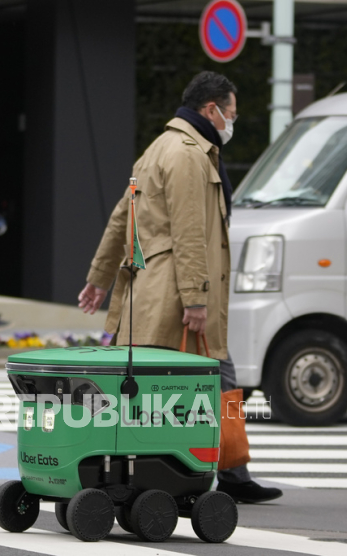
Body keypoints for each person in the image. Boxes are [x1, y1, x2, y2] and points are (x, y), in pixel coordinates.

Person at [78, 71, 282, 504]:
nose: (232, 120)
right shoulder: (189, 155)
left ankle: (230, 472)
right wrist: (195, 297)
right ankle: (212, 474)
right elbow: (190, 230)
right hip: (176, 295)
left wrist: (99, 278)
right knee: (202, 382)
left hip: (153, 293)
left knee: (208, 378)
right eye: (231, 112)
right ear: (211, 110)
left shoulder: (156, 150)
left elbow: (121, 217)